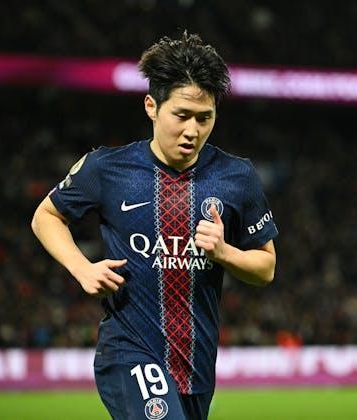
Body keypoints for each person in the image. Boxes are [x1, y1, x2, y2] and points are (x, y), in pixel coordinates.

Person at [31, 31, 278, 420]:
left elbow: (266, 268)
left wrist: (224, 252)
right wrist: (81, 268)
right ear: (151, 106)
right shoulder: (108, 169)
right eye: (181, 115)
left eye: (204, 118)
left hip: (196, 366)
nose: (192, 130)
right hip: (128, 351)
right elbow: (46, 216)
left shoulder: (237, 177)